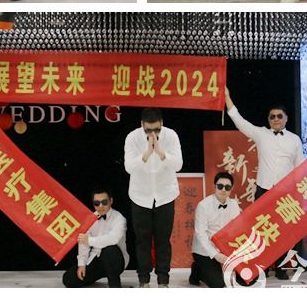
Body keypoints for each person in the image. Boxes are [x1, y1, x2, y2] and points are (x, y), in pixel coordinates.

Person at [225, 87, 303, 279]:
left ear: (286, 119)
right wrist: (227, 97)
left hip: (286, 193)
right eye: (272, 116)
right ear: (268, 120)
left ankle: (281, 268)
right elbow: (239, 121)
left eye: (279, 116)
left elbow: (300, 168)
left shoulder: (295, 140)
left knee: (283, 231)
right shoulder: (261, 134)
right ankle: (263, 266)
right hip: (264, 189)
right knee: (261, 230)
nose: (275, 119)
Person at [124, 107, 183, 288]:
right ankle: (144, 280)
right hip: (140, 196)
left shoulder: (171, 136)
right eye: (148, 130)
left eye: (156, 129)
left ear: (162, 124)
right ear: (142, 125)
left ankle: (163, 280)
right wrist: (147, 153)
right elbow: (129, 167)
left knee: (163, 240)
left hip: (165, 195)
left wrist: (160, 152)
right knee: (142, 240)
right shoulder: (132, 137)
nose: (152, 134)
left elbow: (178, 165)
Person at [62, 187, 129, 288]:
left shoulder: (119, 219)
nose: (100, 206)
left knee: (109, 250)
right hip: (97, 258)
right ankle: (92, 278)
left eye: (104, 202)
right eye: (97, 203)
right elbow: (83, 242)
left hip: (115, 260)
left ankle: (115, 286)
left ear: (111, 201)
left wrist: (89, 241)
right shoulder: (90, 218)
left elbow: (113, 239)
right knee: (69, 279)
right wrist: (82, 264)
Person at [189, 172, 242, 288]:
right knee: (217, 284)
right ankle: (197, 269)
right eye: (220, 186)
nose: (223, 190)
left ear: (231, 188)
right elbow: (200, 234)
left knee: (245, 279)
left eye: (227, 187)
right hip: (204, 250)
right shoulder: (203, 206)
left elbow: (236, 230)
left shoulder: (234, 205)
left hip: (225, 248)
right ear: (214, 186)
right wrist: (216, 254)